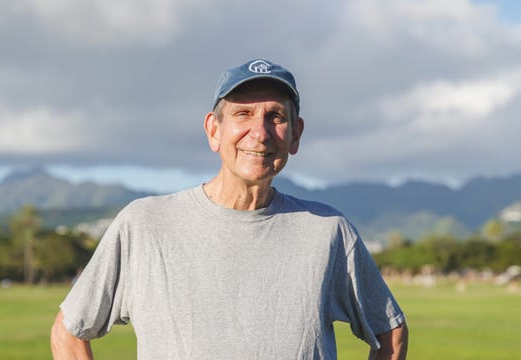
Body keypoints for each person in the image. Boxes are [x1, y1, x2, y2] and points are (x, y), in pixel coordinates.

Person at [50, 58, 408, 359]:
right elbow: (69, 331)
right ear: (214, 130)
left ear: (295, 134)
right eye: (243, 114)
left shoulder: (327, 229)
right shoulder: (145, 224)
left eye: (276, 117)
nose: (260, 132)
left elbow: (390, 330)